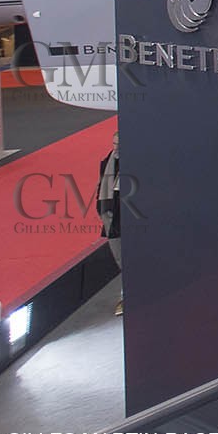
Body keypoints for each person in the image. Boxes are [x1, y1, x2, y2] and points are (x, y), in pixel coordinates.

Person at [97, 132, 122, 316]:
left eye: (119, 143)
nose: (116, 147)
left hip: (127, 218)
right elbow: (102, 188)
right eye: (114, 143)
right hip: (111, 218)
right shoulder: (108, 162)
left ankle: (126, 296)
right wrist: (102, 211)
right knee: (119, 258)